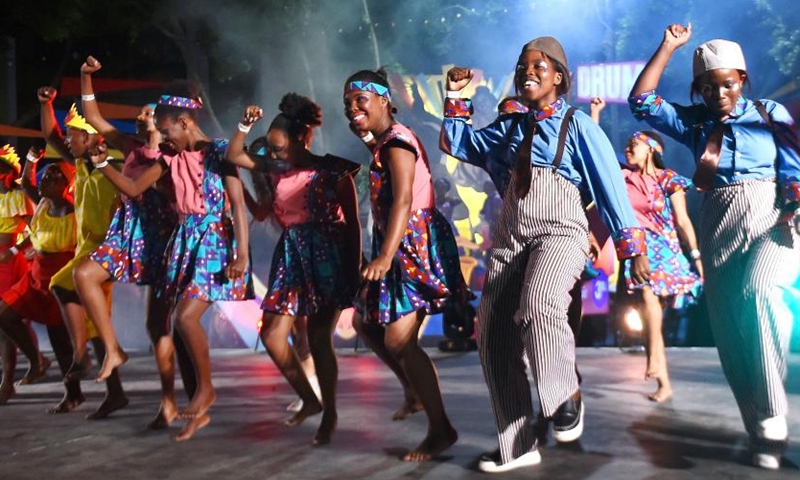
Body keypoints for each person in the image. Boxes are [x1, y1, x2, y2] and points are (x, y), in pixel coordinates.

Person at [440, 36, 650, 472]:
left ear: (558, 76)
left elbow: (611, 189)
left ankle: (564, 392)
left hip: (560, 230)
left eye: (538, 65)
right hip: (512, 233)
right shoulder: (510, 128)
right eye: (521, 66)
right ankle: (518, 445)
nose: (527, 72)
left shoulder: (578, 125)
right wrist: (455, 96)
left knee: (539, 304)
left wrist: (632, 250)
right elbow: (457, 144)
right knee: (493, 332)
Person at [629, 24, 800, 470]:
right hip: (718, 219)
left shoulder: (769, 113)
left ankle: (772, 413)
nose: (719, 92)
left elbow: (794, 163)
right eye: (708, 86)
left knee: (760, 295)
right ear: (699, 90)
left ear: (742, 80)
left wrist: (793, 206)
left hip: (774, 215)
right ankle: (761, 426)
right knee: (730, 328)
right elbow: (641, 101)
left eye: (727, 83)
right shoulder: (694, 123)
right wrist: (667, 46)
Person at [89, 84, 253, 441]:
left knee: (184, 317)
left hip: (213, 241)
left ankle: (206, 389)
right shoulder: (169, 158)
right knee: (179, 328)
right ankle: (198, 405)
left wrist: (242, 254)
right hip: (183, 240)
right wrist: (101, 163)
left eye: (165, 131)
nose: (161, 138)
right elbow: (133, 189)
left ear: (183, 122)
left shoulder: (219, 152)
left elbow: (238, 205)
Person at [344, 68, 471, 462]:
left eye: (360, 100)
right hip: (397, 243)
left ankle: (440, 429)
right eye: (347, 103)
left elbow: (402, 200)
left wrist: (384, 255)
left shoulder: (398, 142)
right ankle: (413, 390)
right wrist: (366, 136)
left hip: (411, 244)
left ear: (384, 100)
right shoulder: (385, 141)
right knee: (366, 322)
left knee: (399, 340)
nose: (352, 108)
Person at [226, 93, 361, 445]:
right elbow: (234, 156)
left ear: (303, 138)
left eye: (279, 148)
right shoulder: (277, 169)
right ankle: (311, 400)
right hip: (292, 255)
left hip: (328, 256)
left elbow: (354, 226)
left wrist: (353, 270)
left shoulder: (333, 170)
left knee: (318, 339)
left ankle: (329, 412)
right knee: (271, 333)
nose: (273, 156)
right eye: (270, 149)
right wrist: (244, 126)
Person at [71, 55, 195, 429]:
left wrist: (102, 166)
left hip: (159, 236)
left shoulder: (169, 156)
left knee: (158, 327)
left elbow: (141, 188)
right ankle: (112, 349)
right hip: (126, 232)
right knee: (84, 274)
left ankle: (170, 403)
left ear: (159, 121)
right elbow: (93, 118)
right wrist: (85, 78)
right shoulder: (127, 144)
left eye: (145, 113)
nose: (139, 117)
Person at [591, 97, 703, 402]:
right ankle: (662, 377)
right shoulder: (623, 178)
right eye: (627, 144)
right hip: (638, 247)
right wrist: (595, 114)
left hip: (665, 249)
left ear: (652, 149)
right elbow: (598, 153)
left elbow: (683, 221)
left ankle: (654, 359)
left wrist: (695, 256)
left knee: (650, 301)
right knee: (647, 303)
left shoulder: (669, 180)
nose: (628, 147)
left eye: (634, 143)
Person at [38, 88, 128, 419]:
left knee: (68, 290)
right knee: (90, 318)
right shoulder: (82, 162)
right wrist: (45, 103)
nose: (69, 141)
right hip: (86, 251)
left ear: (92, 139)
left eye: (75, 135)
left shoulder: (115, 163)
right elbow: (50, 132)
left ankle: (82, 357)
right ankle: (108, 384)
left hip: (106, 251)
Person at [0, 148, 83, 412]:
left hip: (59, 279)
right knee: (4, 315)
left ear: (65, 184)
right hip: (36, 274)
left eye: (51, 177)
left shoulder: (74, 214)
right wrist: (32, 159)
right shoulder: (44, 204)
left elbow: (82, 248)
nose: (44, 180)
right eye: (45, 176)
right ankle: (35, 360)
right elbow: (26, 182)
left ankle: (73, 394)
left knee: (61, 344)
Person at [0, 145, 50, 404]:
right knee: (6, 320)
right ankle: (37, 359)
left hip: (9, 261)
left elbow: (37, 228)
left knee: (6, 318)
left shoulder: (17, 195)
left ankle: (7, 381)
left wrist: (14, 249)